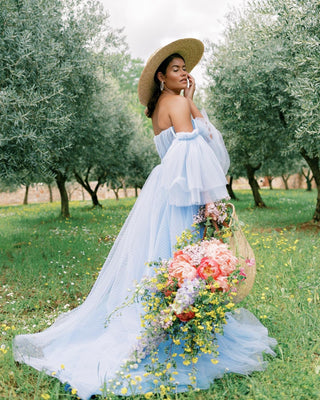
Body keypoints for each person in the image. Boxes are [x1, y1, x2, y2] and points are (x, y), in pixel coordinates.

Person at [13, 38, 276, 400]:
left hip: (164, 190)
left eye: (186, 68)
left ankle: (170, 313)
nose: (184, 73)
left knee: (163, 256)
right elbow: (200, 155)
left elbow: (191, 146)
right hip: (184, 193)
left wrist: (191, 100)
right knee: (181, 255)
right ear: (161, 76)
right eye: (177, 69)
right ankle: (173, 327)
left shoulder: (161, 107)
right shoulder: (178, 103)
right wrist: (211, 203)